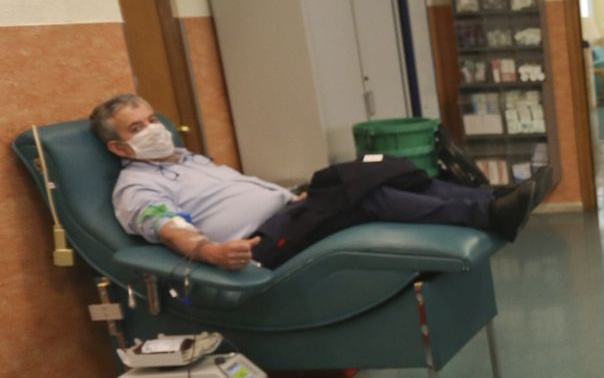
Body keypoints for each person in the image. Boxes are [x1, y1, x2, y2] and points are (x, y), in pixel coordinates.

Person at [93, 95, 537, 271]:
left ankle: (492, 197)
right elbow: (160, 222)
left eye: (152, 120)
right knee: (368, 198)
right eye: (136, 129)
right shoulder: (135, 187)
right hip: (262, 244)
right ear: (118, 148)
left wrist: (296, 197)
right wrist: (206, 249)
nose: (152, 130)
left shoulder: (190, 160)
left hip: (291, 211)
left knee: (375, 167)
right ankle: (487, 212)